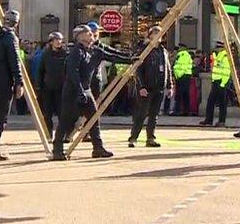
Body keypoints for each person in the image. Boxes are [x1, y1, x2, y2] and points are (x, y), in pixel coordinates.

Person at [53, 25, 114, 160]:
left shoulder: (93, 50)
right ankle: (57, 150)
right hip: (72, 91)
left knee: (93, 119)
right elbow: (72, 72)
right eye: (88, 33)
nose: (91, 34)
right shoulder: (76, 51)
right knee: (66, 120)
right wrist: (79, 90)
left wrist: (132, 59)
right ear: (80, 36)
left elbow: (112, 56)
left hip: (86, 90)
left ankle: (98, 148)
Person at [0, 10, 25, 161]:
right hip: (4, 82)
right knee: (2, 117)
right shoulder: (10, 37)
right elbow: (14, 60)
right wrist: (19, 82)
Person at [129, 26, 172, 148]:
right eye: (155, 33)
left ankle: (150, 137)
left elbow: (167, 68)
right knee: (141, 114)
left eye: (160, 33)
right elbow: (138, 69)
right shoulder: (145, 49)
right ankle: (133, 137)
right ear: (150, 35)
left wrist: (169, 85)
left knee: (154, 114)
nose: (158, 36)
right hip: (147, 87)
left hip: (159, 87)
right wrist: (141, 86)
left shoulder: (163, 51)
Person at [35, 32, 67, 138]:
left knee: (61, 112)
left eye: (60, 40)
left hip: (61, 88)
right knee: (47, 113)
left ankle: (61, 134)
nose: (58, 42)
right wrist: (38, 86)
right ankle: (48, 133)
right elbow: (40, 71)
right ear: (51, 42)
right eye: (56, 40)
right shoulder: (46, 54)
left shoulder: (65, 54)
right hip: (47, 87)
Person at [200, 42, 231, 127]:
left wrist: (223, 83)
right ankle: (208, 120)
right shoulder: (217, 55)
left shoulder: (225, 56)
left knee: (222, 103)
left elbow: (227, 71)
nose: (216, 49)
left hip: (222, 82)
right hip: (216, 81)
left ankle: (221, 121)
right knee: (211, 101)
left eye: (218, 47)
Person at [172, 43, 194, 116]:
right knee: (185, 94)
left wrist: (178, 75)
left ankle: (178, 110)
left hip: (182, 76)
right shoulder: (185, 55)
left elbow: (181, 66)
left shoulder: (182, 55)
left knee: (179, 94)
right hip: (184, 76)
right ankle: (185, 111)